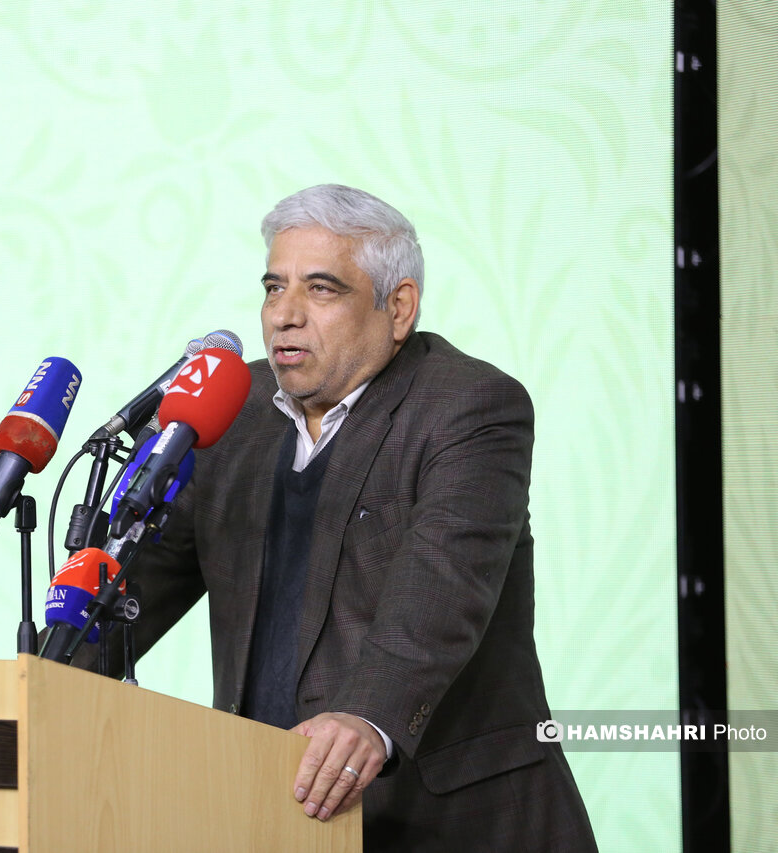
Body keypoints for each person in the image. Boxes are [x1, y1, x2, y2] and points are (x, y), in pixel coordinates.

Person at [81, 184, 597, 850]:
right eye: (274, 288)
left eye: (321, 289)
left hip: (456, 823)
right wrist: (38, 685)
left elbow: (441, 587)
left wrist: (366, 717)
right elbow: (136, 591)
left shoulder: (469, 407)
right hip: (278, 816)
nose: (284, 315)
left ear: (398, 307)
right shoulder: (233, 413)